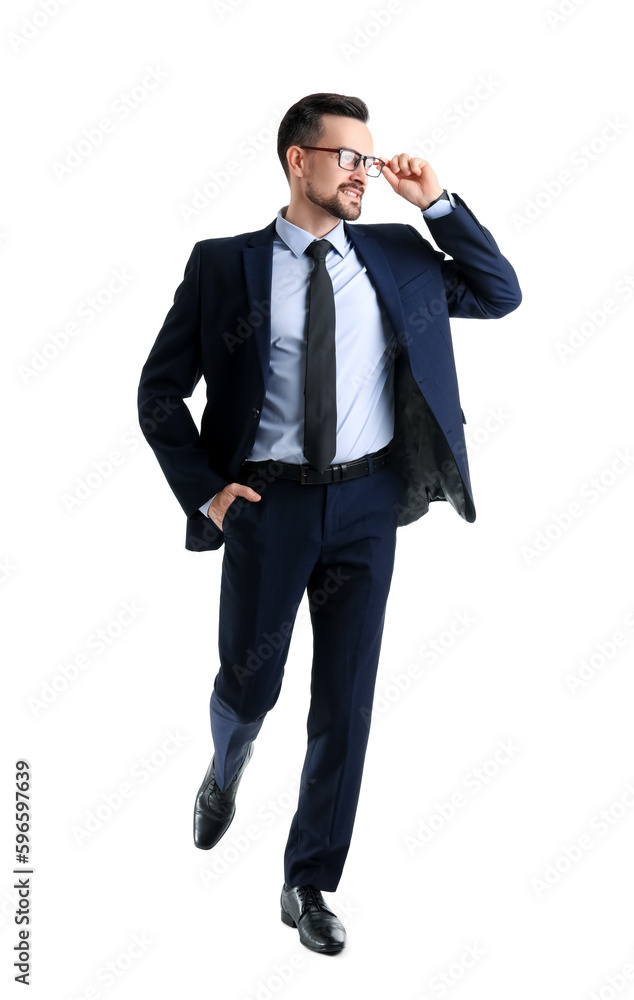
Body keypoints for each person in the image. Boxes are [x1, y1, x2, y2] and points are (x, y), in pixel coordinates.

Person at [137, 92, 521, 955]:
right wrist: (208, 491)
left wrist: (438, 205)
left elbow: (501, 294)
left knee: (344, 703)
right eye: (347, 156)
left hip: (366, 507)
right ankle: (225, 766)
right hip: (266, 509)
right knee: (251, 682)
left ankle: (307, 881)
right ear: (297, 161)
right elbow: (158, 393)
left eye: (369, 157)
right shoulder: (223, 267)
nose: (363, 172)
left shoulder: (396, 253)